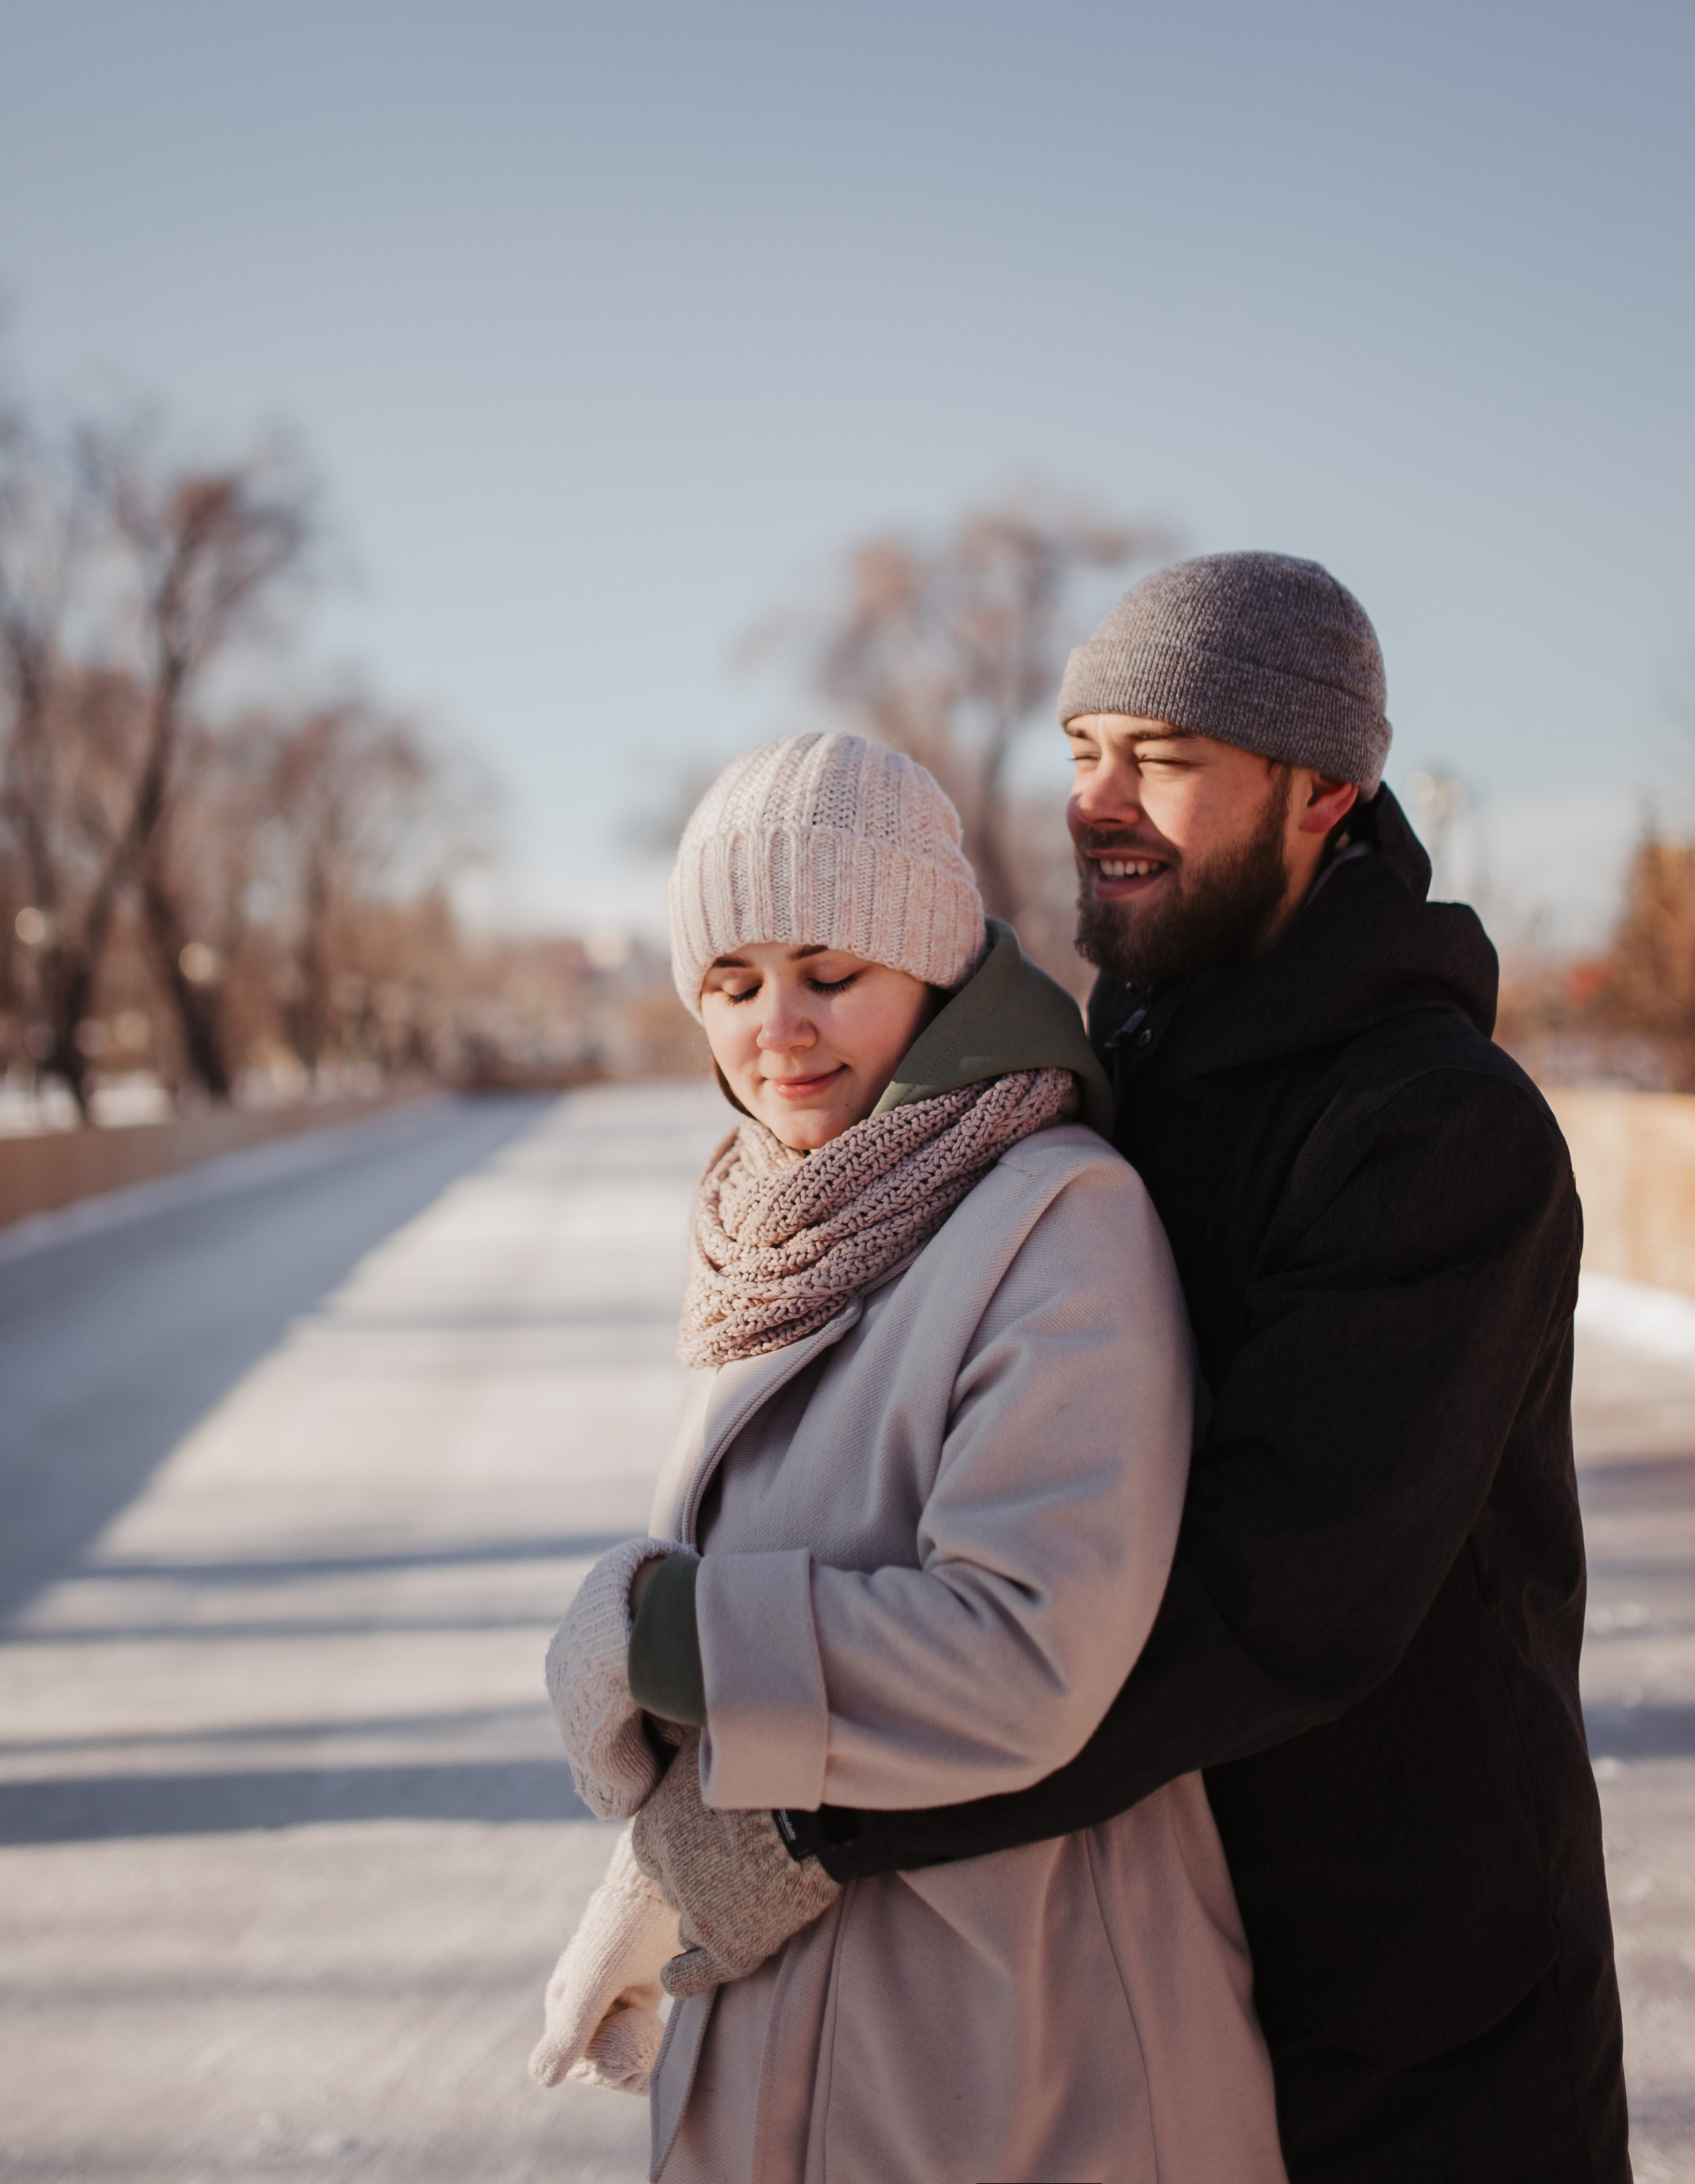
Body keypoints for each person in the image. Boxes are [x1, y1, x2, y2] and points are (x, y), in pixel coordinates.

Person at [729, 556, 1631, 2183]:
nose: (1097, 800)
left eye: (1160, 755)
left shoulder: (1431, 1130)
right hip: (1149, 1966)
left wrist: (814, 1811)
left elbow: (1263, 1600)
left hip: (1412, 2018)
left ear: (1323, 790)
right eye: (1080, 747)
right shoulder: (1116, 1080)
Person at [531, 730, 1288, 2184]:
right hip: (813, 2032)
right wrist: (679, 1842)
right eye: (732, 985)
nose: (779, 1031)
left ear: (932, 967)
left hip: (1017, 2044)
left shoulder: (1053, 1216)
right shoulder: (785, 1227)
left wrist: (665, 1638)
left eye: (831, 972)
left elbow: (1024, 1640)